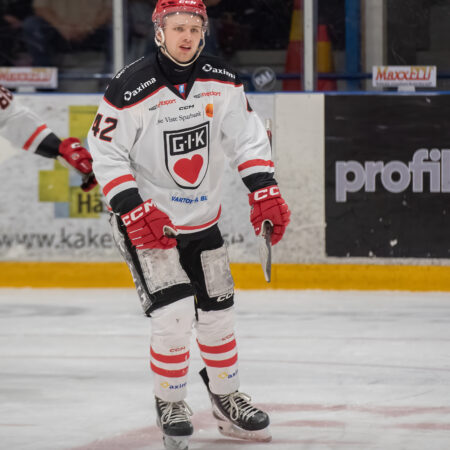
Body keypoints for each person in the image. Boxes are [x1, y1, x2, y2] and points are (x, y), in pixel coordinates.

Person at [87, 1, 290, 448]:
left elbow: (248, 139)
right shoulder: (130, 86)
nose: (187, 36)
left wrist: (264, 189)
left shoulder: (222, 80)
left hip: (202, 221)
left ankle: (226, 396)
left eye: (194, 28)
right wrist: (133, 208)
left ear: (204, 32)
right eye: (177, 27)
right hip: (148, 225)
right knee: (174, 314)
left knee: (219, 314)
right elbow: (105, 152)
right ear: (159, 32)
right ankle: (171, 401)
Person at [0, 84, 96, 191]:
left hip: (13, 121)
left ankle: (85, 164)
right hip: (16, 115)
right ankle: (85, 164)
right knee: (61, 151)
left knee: (62, 151)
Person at [22, 0, 112, 69]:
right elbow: (40, 8)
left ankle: (112, 81)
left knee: (115, 29)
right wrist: (62, 27)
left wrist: (89, 27)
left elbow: (111, 9)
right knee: (32, 24)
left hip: (94, 31)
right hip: (59, 32)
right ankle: (45, 79)